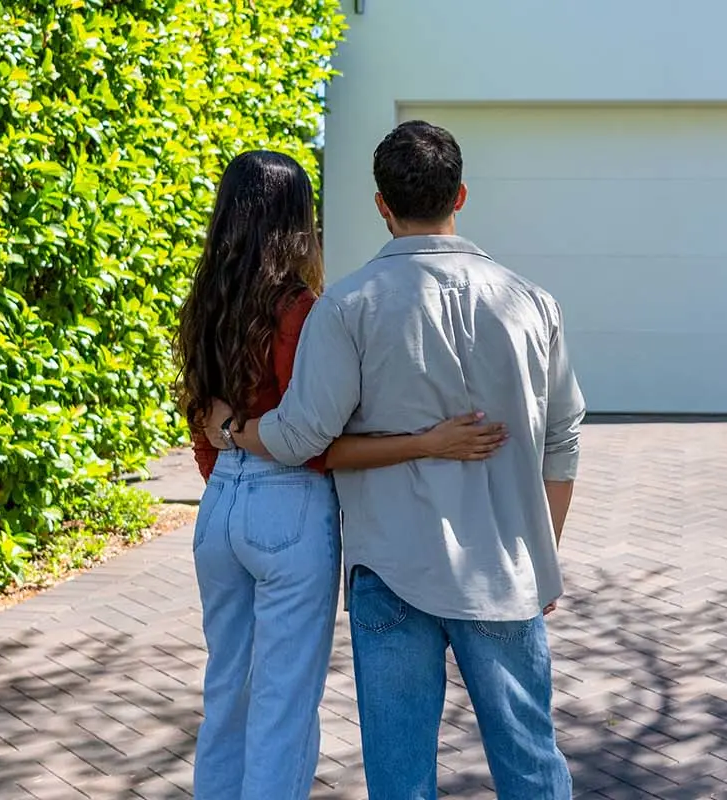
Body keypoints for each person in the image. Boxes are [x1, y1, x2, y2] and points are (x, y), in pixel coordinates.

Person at [218, 121, 585, 799]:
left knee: (399, 780)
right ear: (462, 195)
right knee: (532, 765)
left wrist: (235, 430)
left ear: (381, 204)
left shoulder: (348, 308)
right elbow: (563, 441)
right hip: (504, 570)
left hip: (390, 571)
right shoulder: (533, 304)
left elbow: (301, 437)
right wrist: (546, 550)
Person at [179, 150, 509, 800]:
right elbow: (317, 441)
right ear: (298, 221)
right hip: (288, 508)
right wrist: (428, 441)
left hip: (220, 504)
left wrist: (227, 452)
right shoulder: (304, 312)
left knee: (228, 699)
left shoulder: (204, 303)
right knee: (283, 711)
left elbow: (203, 420)